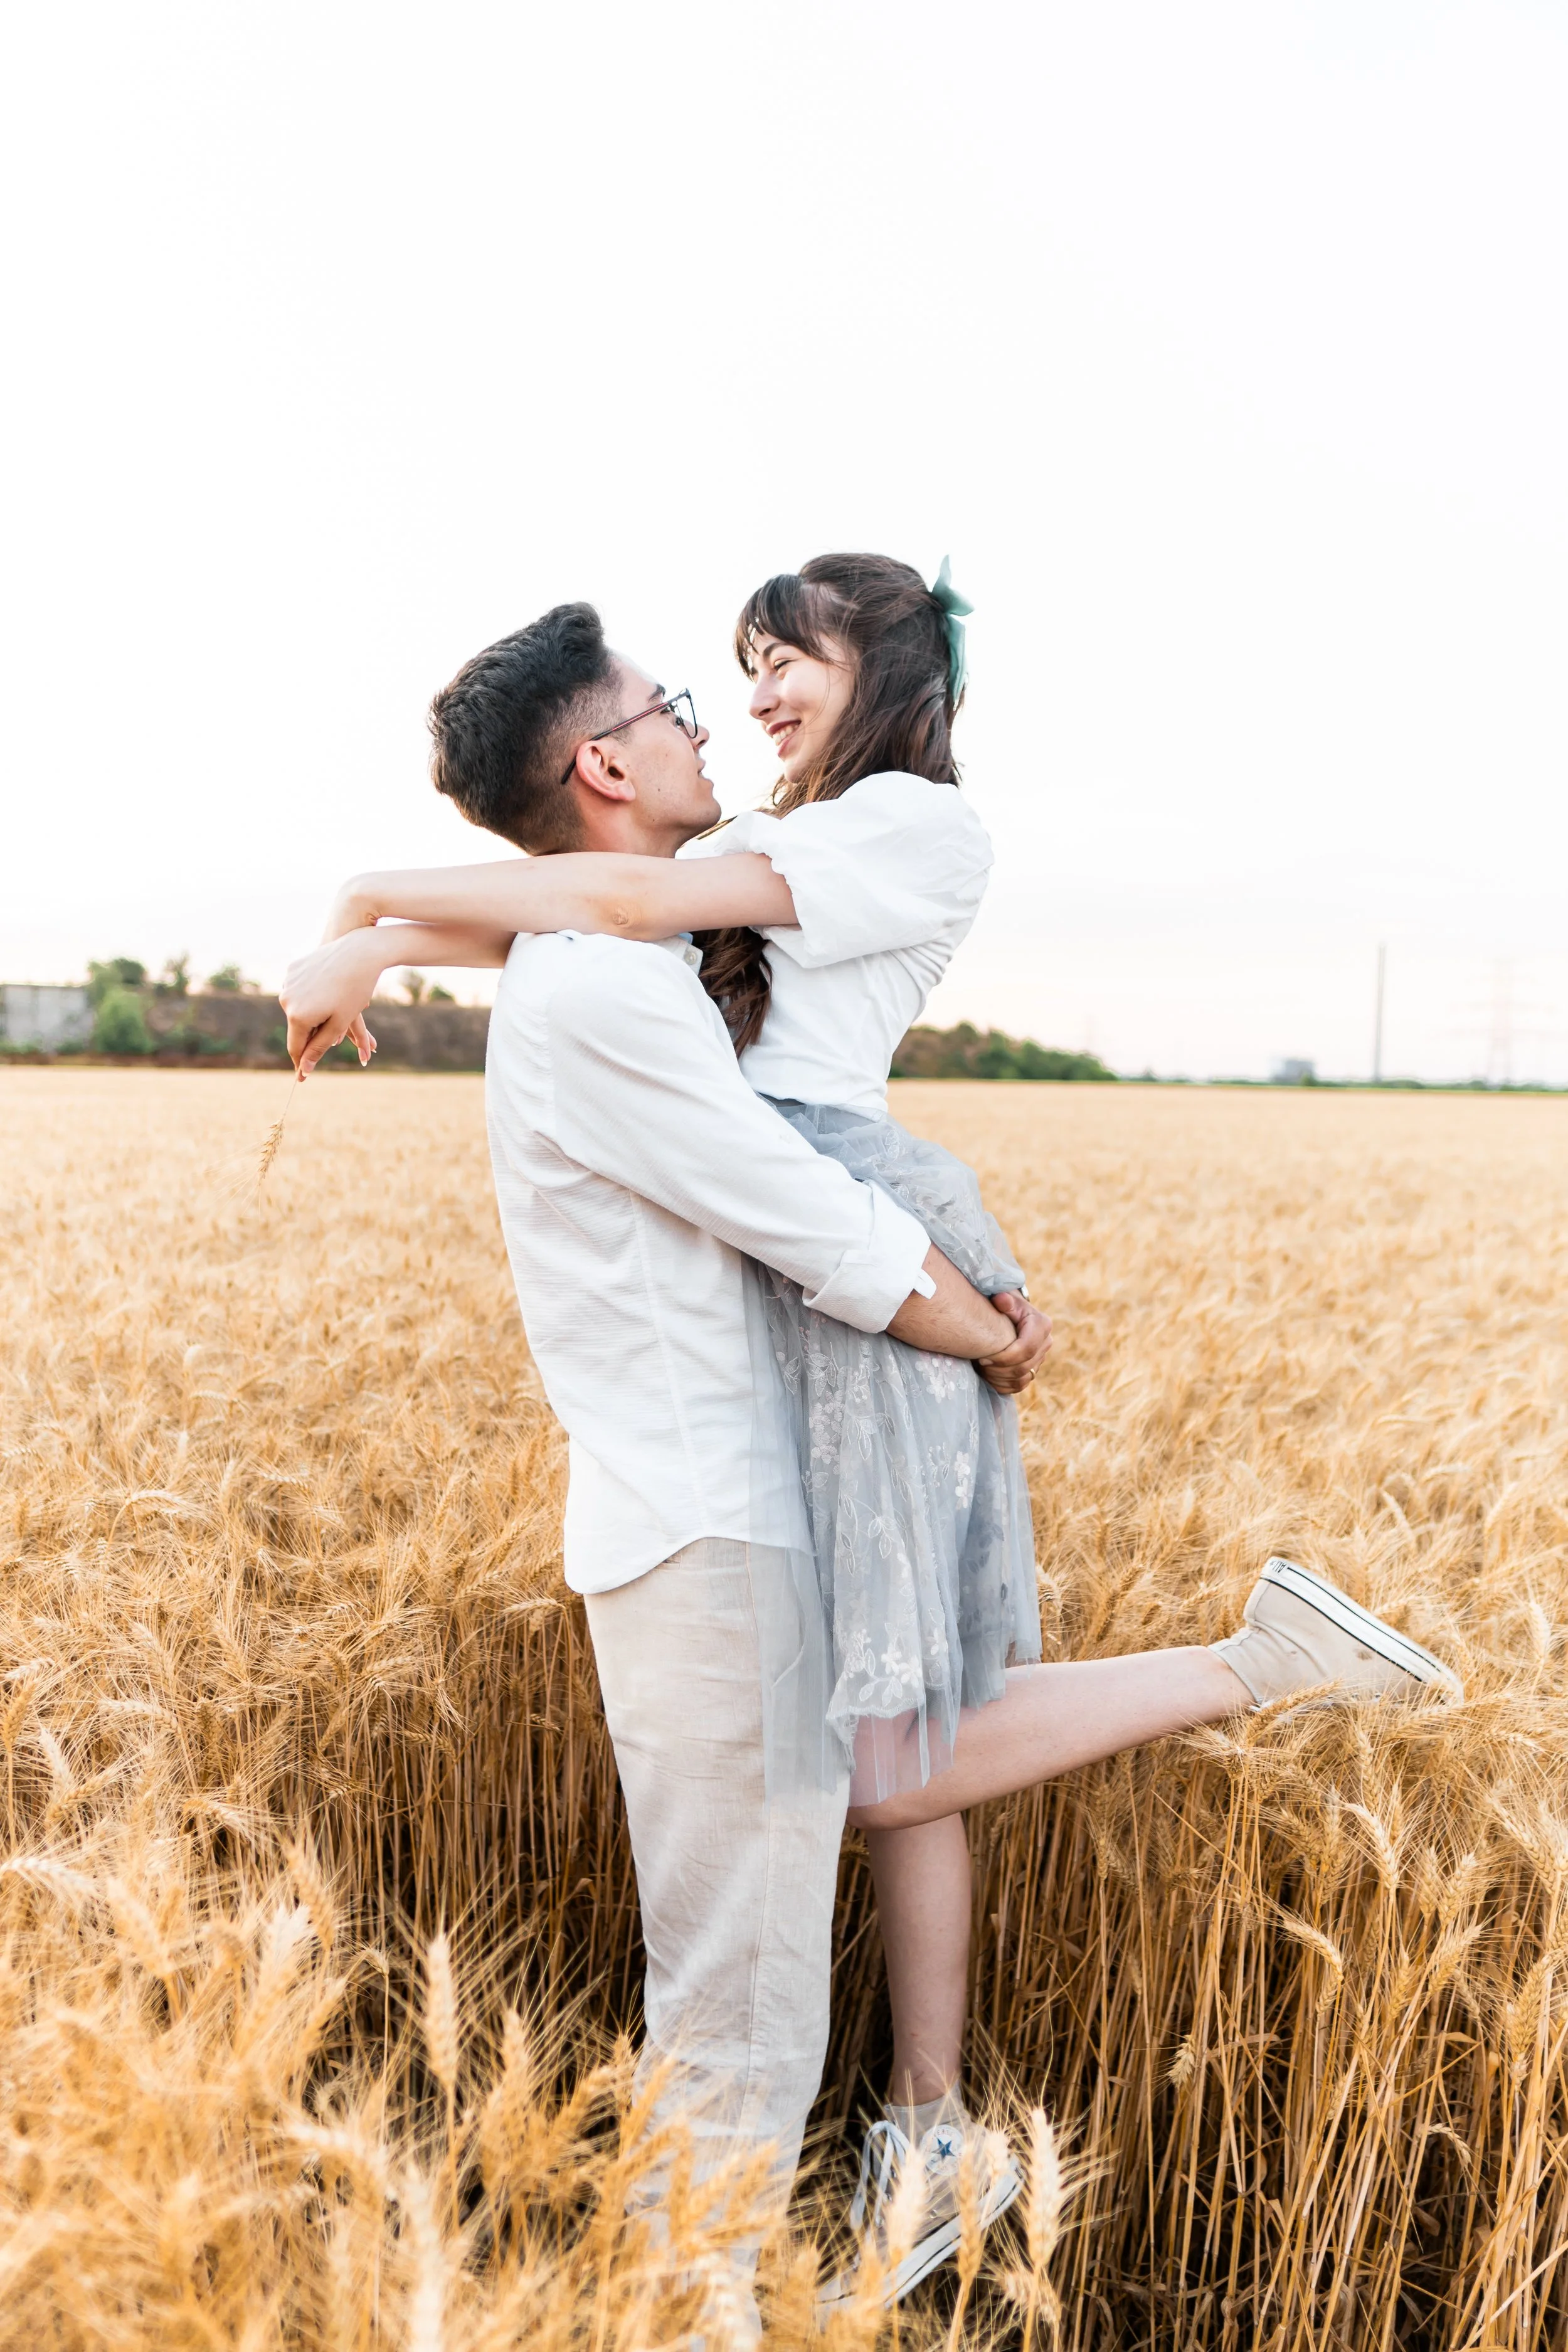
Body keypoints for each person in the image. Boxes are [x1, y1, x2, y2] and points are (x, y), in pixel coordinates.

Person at [282, 568, 1463, 2313]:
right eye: (706, 682)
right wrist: (372, 933)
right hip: (820, 1295)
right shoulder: (663, 927)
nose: (735, 702)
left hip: (858, 1252)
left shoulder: (889, 828)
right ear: (606, 759)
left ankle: (924, 2109)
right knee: (871, 1772)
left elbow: (605, 905)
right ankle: (925, 2112)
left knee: (889, 1736)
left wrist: (371, 904)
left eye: (777, 663)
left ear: (885, 668)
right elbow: (597, 917)